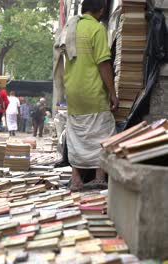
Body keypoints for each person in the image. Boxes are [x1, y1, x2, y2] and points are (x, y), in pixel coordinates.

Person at [64, 0, 118, 191]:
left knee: (77, 134)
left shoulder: (70, 27)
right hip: (92, 90)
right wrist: (112, 92)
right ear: (102, 10)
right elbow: (104, 63)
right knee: (103, 133)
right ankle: (99, 176)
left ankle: (77, 178)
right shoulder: (97, 29)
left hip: (72, 91)